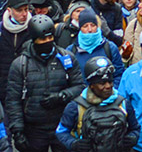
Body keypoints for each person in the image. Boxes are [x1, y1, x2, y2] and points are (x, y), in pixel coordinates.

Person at [6, 14, 86, 152]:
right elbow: (13, 100)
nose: (47, 42)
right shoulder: (20, 65)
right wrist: (17, 131)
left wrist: (62, 96)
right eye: (43, 39)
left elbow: (79, 86)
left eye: (50, 38)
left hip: (62, 126)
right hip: (33, 130)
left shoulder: (66, 58)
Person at [55, 56, 141, 152]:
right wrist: (73, 144)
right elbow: (61, 132)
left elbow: (135, 128)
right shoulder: (76, 107)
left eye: (110, 81)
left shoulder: (123, 104)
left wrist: (132, 137)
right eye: (102, 83)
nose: (108, 86)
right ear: (91, 85)